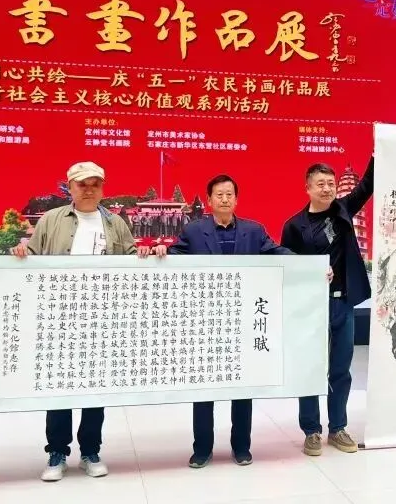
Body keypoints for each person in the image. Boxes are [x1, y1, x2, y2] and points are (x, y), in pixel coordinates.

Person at [11, 161, 150, 480]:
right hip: (58, 317)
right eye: (81, 184)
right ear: (70, 187)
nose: (89, 190)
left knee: (95, 388)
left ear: (102, 188)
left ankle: (90, 450)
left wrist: (144, 255)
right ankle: (57, 452)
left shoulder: (115, 222)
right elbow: (32, 259)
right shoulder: (51, 219)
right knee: (58, 387)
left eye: (95, 184)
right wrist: (21, 253)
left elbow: (130, 260)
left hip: (100, 318)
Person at [151, 174, 296, 468]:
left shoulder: (254, 231)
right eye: (219, 194)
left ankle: (241, 447)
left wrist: (311, 265)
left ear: (236, 199)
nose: (225, 199)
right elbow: (175, 255)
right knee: (204, 388)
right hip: (207, 322)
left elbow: (277, 252)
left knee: (243, 387)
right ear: (209, 200)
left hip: (243, 321)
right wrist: (161, 251)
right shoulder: (194, 231)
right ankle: (202, 448)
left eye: (230, 194)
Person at [281, 157, 373, 456]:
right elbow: (287, 265)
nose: (327, 189)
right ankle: (311, 430)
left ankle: (338, 427)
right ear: (307, 188)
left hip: (343, 302)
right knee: (310, 368)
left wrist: (375, 152)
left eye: (331, 184)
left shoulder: (343, 210)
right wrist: (311, 273)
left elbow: (367, 185)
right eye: (320, 184)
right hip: (311, 306)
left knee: (341, 368)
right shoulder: (294, 226)